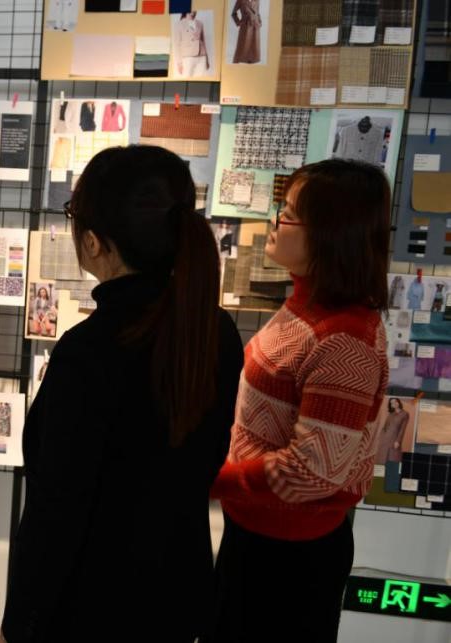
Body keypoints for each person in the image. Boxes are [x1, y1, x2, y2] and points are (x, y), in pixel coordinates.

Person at [0, 146, 244, 642]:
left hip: (91, 607)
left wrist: (18, 626)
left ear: (94, 242)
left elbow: (55, 511)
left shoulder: (89, 351)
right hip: (176, 595)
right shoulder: (214, 331)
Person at [208, 159, 391, 642]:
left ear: (329, 234)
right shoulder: (308, 305)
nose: (276, 221)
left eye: (288, 213)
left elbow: (311, 472)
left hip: (288, 557)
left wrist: (209, 480)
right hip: (259, 532)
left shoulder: (344, 341)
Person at [376, 398, 410, 465]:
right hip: (384, 439)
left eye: (395, 402)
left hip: (394, 439)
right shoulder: (390, 414)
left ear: (398, 402)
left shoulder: (405, 414)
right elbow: (385, 427)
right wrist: (380, 437)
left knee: (393, 459)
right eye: (392, 403)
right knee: (382, 459)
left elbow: (402, 429)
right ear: (391, 405)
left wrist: (398, 441)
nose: (394, 404)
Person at [175, 12, 209, 77]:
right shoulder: (179, 24)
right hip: (188, 57)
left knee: (201, 80)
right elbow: (177, 44)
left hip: (202, 56)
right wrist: (179, 63)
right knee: (187, 79)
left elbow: (203, 41)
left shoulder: (200, 23)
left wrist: (207, 59)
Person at [231, 0, 261, 65]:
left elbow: (257, 13)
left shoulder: (257, 1)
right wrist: (239, 22)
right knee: (242, 45)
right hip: (246, 26)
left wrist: (259, 22)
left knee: (254, 46)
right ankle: (238, 62)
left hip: (255, 26)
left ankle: (251, 62)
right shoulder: (240, 1)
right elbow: (233, 13)